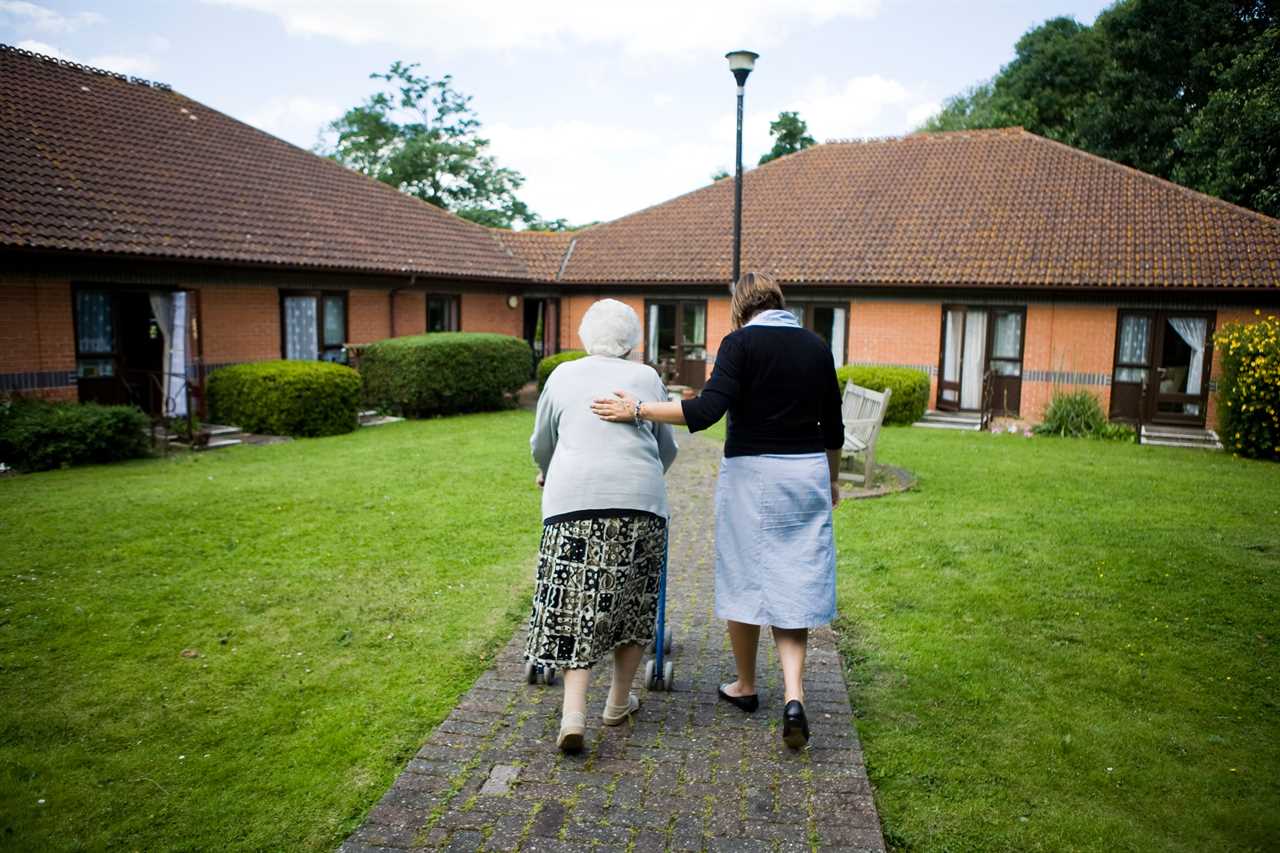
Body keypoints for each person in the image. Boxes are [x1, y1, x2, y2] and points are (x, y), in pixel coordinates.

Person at [591, 271, 842, 749]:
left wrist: (639, 410)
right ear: (778, 302)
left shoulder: (739, 343)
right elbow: (833, 424)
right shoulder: (816, 345)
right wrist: (830, 479)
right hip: (806, 472)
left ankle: (746, 686)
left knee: (746, 573)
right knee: (792, 578)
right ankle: (794, 696)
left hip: (753, 475)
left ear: (741, 306)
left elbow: (706, 411)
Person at [527, 298, 679, 753]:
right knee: (631, 604)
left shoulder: (561, 376)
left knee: (576, 605)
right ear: (633, 342)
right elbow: (666, 447)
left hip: (572, 504)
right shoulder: (647, 376)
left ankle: (573, 713)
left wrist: (547, 469)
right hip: (639, 504)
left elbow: (542, 443)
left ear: (584, 338)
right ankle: (616, 704)